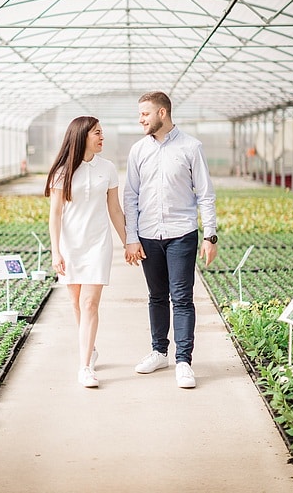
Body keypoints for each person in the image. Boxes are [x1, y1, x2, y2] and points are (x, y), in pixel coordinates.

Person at [123, 91, 218, 389]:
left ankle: (184, 362)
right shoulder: (138, 150)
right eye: (140, 114)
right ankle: (159, 352)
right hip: (148, 236)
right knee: (156, 297)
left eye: (145, 114)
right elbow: (130, 197)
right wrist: (131, 238)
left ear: (162, 113)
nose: (141, 119)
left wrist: (210, 235)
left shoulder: (191, 147)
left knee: (182, 298)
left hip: (182, 234)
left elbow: (205, 193)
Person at [45, 116, 126, 388]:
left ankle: (84, 368)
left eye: (102, 133)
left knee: (90, 303)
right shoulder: (62, 171)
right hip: (70, 245)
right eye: (97, 133)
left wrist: (129, 242)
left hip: (98, 244)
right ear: (82, 136)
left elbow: (114, 209)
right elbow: (55, 215)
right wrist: (56, 252)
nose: (102, 138)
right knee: (76, 303)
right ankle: (89, 349)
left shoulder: (109, 169)